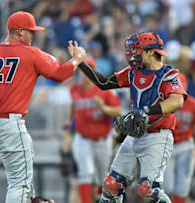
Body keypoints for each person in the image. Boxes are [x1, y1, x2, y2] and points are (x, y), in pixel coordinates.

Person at [0, 11, 86, 203]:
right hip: (8, 123)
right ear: (19, 32)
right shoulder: (31, 53)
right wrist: (77, 59)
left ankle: (30, 199)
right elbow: (60, 75)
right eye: (30, 31)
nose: (33, 36)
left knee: (24, 180)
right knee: (19, 184)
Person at [75, 32, 187, 203]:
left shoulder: (168, 74)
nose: (132, 54)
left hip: (158, 135)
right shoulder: (133, 72)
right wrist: (80, 63)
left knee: (148, 190)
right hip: (135, 136)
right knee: (111, 185)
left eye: (137, 50)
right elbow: (104, 83)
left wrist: (146, 111)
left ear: (151, 52)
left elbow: (177, 101)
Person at [63, 57, 122, 203]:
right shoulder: (74, 89)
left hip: (102, 139)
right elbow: (74, 107)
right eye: (82, 70)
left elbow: (118, 111)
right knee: (85, 173)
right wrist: (69, 123)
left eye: (87, 69)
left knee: (101, 177)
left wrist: (103, 108)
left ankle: (98, 197)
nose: (84, 74)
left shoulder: (105, 89)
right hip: (82, 138)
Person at [163, 73, 195, 203]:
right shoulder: (163, 103)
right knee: (166, 187)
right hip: (167, 145)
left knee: (182, 187)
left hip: (186, 145)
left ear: (185, 86)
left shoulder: (193, 104)